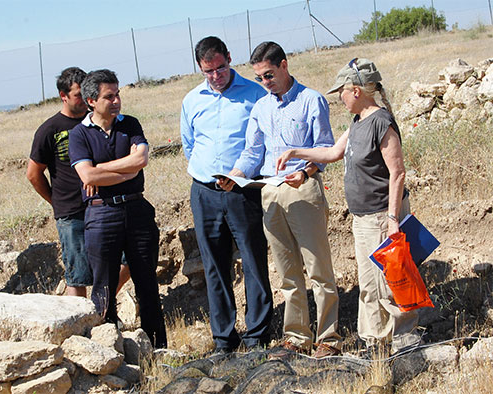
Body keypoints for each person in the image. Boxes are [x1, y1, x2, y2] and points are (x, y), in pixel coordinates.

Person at [276, 58, 420, 356]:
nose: (339, 98)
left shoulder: (381, 122)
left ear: (356, 90)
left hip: (381, 216)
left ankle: (405, 340)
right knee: (369, 283)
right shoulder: (358, 122)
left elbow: (398, 173)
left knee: (389, 282)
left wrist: (393, 218)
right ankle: (375, 342)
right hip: (363, 218)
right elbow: (331, 153)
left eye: (341, 91)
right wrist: (295, 152)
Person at [223, 41, 342, 358]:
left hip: (303, 188)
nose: (265, 82)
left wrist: (305, 172)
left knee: (318, 268)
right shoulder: (261, 108)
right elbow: (252, 151)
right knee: (287, 271)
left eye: (269, 74)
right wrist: (234, 174)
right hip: (270, 192)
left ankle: (328, 337)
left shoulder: (310, 100)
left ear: (284, 65)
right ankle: (297, 337)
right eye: (260, 77)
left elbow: (326, 148)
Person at [180, 36, 273, 353]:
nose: (216, 76)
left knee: (253, 260)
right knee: (214, 266)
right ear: (200, 68)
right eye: (209, 71)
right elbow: (189, 145)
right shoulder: (191, 101)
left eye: (221, 68)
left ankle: (258, 335)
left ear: (229, 59)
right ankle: (223, 338)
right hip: (204, 192)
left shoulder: (255, 94)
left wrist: (242, 175)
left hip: (243, 192)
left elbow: (265, 144)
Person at [69, 69, 166, 348]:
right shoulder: (79, 135)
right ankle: (108, 351)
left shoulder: (130, 124)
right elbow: (87, 177)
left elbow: (141, 159)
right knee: (104, 287)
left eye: (117, 94)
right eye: (108, 96)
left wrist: (99, 169)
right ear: (91, 101)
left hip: (137, 210)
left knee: (147, 282)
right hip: (101, 215)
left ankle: (158, 349)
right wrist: (124, 170)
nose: (116, 101)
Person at [27, 67, 130, 298]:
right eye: (77, 95)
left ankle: (101, 304)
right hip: (71, 211)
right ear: (63, 96)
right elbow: (34, 174)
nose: (83, 100)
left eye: (86, 94)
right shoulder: (49, 130)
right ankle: (80, 324)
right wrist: (56, 202)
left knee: (127, 258)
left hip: (104, 204)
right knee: (78, 275)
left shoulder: (96, 122)